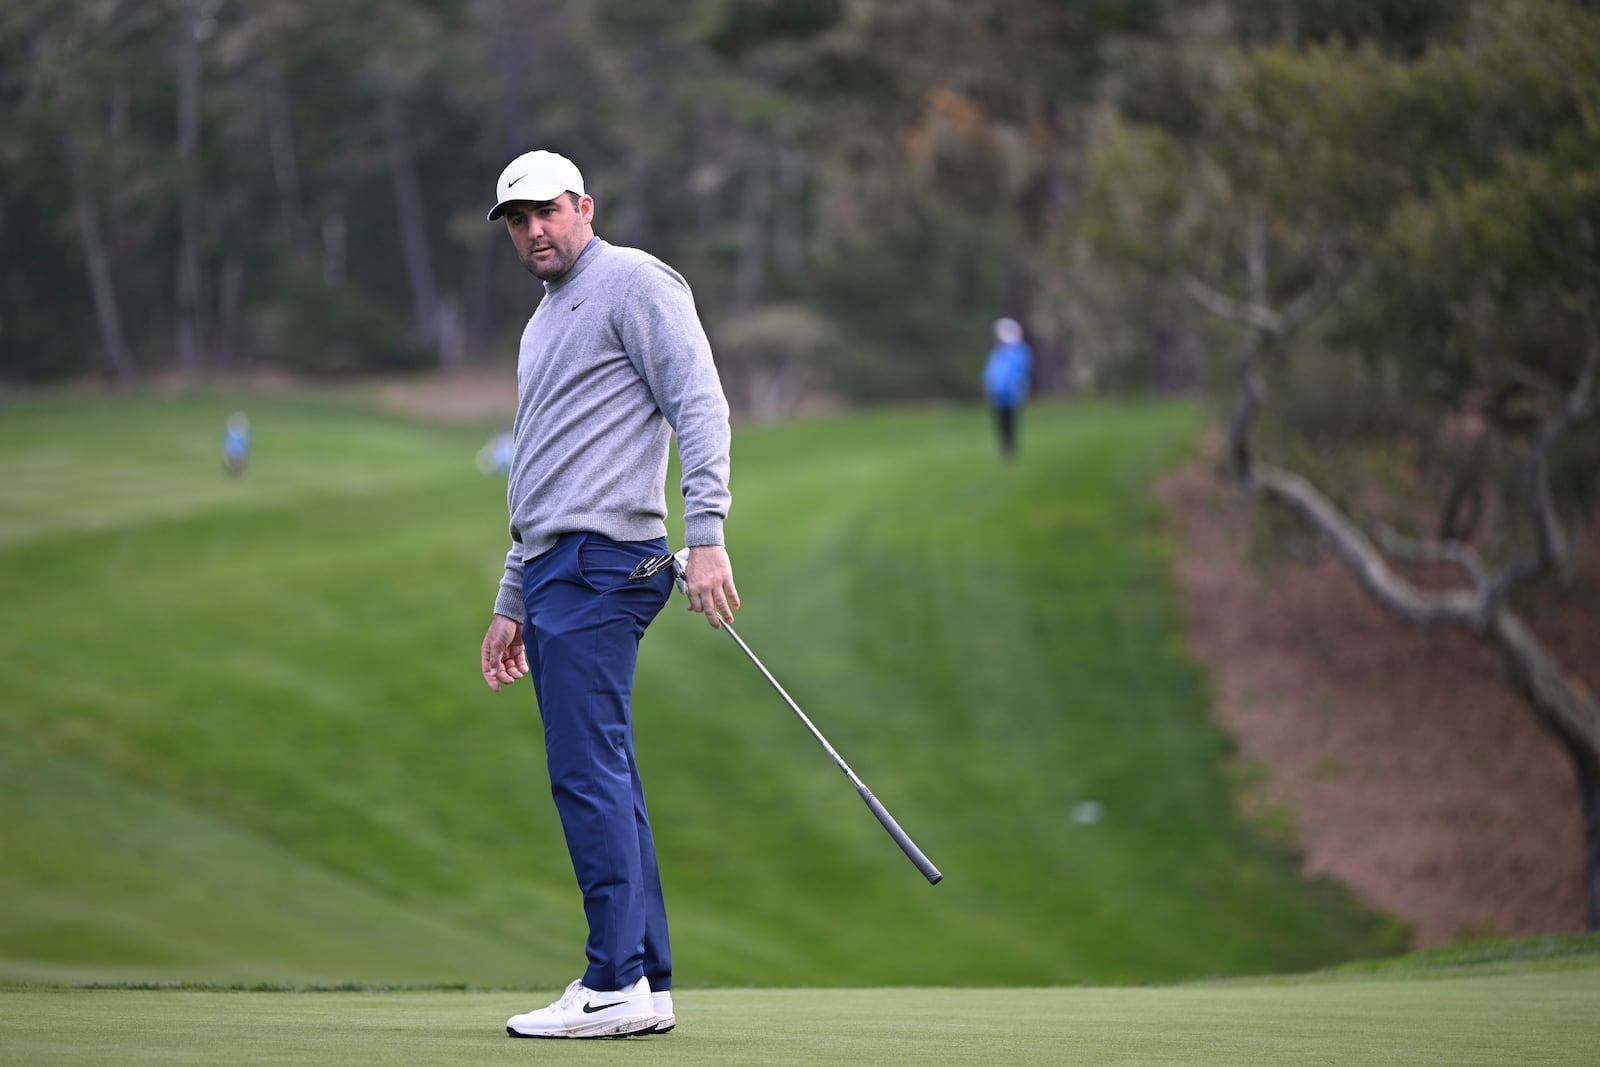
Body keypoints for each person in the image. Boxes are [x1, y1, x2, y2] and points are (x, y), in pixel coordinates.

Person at [476, 150, 740, 1040]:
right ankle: (646, 980)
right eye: (517, 220)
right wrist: (513, 592)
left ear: (583, 206)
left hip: (605, 564)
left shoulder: (633, 281)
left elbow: (699, 400)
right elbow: (543, 467)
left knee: (585, 773)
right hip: (554, 568)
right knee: (606, 775)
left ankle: (613, 979)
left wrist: (705, 533)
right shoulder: (544, 322)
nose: (533, 231)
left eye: (546, 212)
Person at [982, 317, 1033, 459]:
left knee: (1010, 420)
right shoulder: (998, 352)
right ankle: (1005, 447)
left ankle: (1010, 447)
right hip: (998, 393)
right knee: (1002, 421)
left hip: (1011, 393)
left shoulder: (1019, 352)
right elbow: (991, 371)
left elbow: (1020, 371)